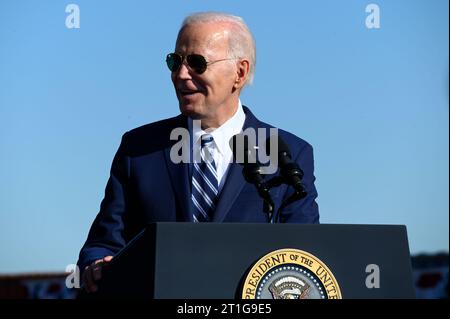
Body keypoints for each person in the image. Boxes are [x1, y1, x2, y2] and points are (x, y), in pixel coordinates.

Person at [78, 12, 319, 293]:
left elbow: (305, 257)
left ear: (239, 73)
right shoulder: (139, 150)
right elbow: (103, 243)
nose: (181, 74)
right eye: (175, 61)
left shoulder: (286, 154)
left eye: (196, 63)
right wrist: (96, 264)